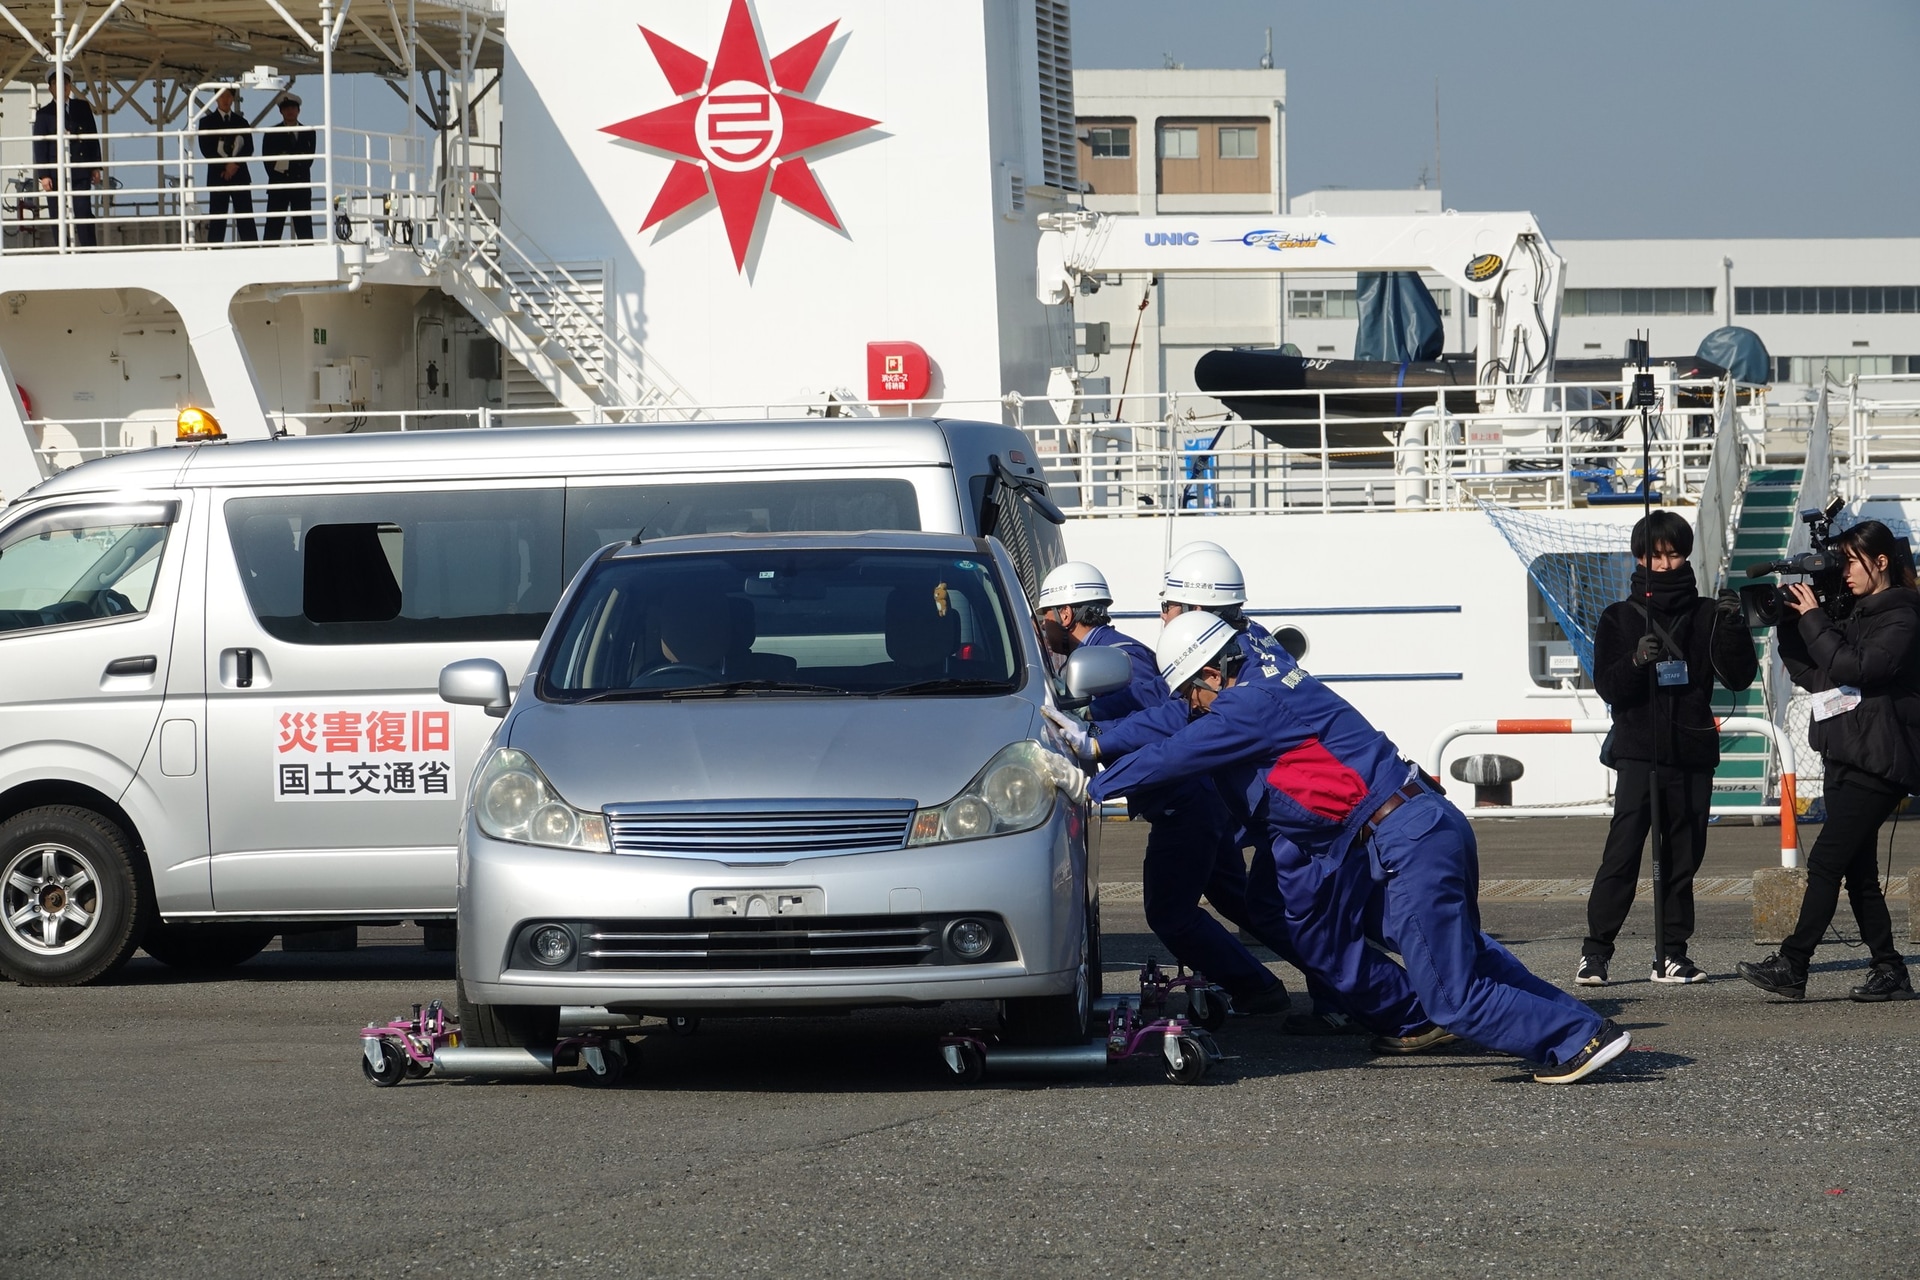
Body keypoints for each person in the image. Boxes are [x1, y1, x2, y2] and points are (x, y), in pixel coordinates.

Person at [1088, 611, 1634, 1084]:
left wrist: (1086, 782)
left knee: (1451, 995)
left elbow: (1174, 755)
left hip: (1405, 837)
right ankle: (1581, 1028)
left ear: (1212, 672)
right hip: (1421, 823)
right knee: (1464, 952)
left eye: (1192, 693)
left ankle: (1577, 1038)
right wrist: (1092, 742)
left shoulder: (1248, 704)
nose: (1193, 706)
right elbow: (1178, 727)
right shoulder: (1266, 673)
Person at [1035, 561, 1291, 1015]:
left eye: (1045, 615)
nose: (1042, 626)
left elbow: (1168, 727)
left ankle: (1259, 986)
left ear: (1068, 614)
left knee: (1170, 913)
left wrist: (1092, 749)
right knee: (1249, 905)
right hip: (1201, 802)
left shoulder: (1110, 663)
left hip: (1185, 804)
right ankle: (1332, 983)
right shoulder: (1116, 652)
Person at [1738, 519, 1920, 1003]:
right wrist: (1792, 628)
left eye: (1851, 562)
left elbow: (1854, 668)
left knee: (1825, 863)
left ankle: (1793, 964)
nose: (1844, 574)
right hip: (1845, 750)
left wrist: (1816, 619)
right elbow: (1816, 676)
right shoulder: (1856, 613)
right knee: (1858, 871)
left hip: (1881, 758)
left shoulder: (1903, 616)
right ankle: (1890, 970)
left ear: (1881, 562)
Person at [1581, 510, 1757, 986]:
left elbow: (1738, 677)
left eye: (1673, 553)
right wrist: (1638, 660)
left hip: (1693, 751)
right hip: (1639, 752)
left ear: (1686, 556)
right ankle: (1595, 953)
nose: (1664, 563)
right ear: (1639, 557)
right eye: (1654, 555)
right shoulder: (1618, 617)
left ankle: (1671, 953)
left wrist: (1735, 628)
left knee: (1683, 856)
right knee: (1622, 852)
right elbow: (1609, 687)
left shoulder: (1705, 614)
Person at [31, 68, 103, 249]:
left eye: (66, 83)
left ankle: (89, 249)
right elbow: (40, 146)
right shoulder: (44, 114)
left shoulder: (82, 108)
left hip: (79, 169)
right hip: (55, 172)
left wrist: (96, 166)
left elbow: (92, 137)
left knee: (83, 210)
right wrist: (43, 175)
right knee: (57, 213)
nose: (62, 87)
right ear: (50, 88)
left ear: (70, 86)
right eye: (57, 84)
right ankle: (60, 249)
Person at [198, 87, 257, 243]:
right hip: (218, 176)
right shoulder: (206, 123)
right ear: (216, 98)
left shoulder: (241, 122)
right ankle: (214, 251)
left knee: (245, 218)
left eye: (228, 96)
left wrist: (234, 164)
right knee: (218, 218)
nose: (225, 100)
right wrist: (225, 166)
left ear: (233, 99)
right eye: (221, 96)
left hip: (240, 175)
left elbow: (249, 147)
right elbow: (206, 149)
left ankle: (252, 250)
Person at [260, 94, 316, 242]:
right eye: (286, 108)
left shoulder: (309, 132)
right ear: (281, 111)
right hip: (279, 184)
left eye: (292, 108)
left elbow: (309, 159)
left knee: (304, 226)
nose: (289, 111)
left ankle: (308, 253)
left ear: (298, 110)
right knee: (273, 226)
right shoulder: (271, 134)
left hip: (301, 184)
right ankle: (268, 254)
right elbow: (267, 161)